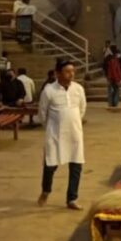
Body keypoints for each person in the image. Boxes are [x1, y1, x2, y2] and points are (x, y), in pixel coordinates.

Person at [37, 60, 86, 210]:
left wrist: (73, 121)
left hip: (74, 134)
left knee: (76, 166)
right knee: (50, 164)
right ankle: (46, 190)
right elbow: (42, 113)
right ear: (58, 73)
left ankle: (72, 198)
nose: (71, 74)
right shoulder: (49, 90)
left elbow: (82, 109)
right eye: (67, 71)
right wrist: (52, 127)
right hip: (55, 134)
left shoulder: (78, 89)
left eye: (73, 71)